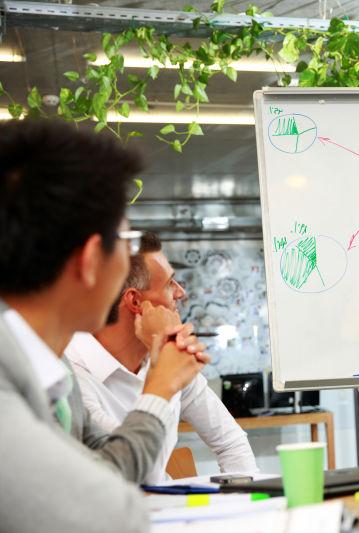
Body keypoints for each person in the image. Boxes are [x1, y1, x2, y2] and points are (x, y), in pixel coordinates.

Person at [0, 119, 209, 532]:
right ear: (92, 259)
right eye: (127, 244)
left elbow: (109, 470)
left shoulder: (54, 373)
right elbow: (108, 512)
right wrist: (159, 388)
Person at [66, 231, 258, 483]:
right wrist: (164, 368)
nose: (181, 293)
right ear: (136, 301)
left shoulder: (167, 357)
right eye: (170, 283)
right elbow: (143, 471)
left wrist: (243, 503)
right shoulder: (72, 373)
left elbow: (231, 443)